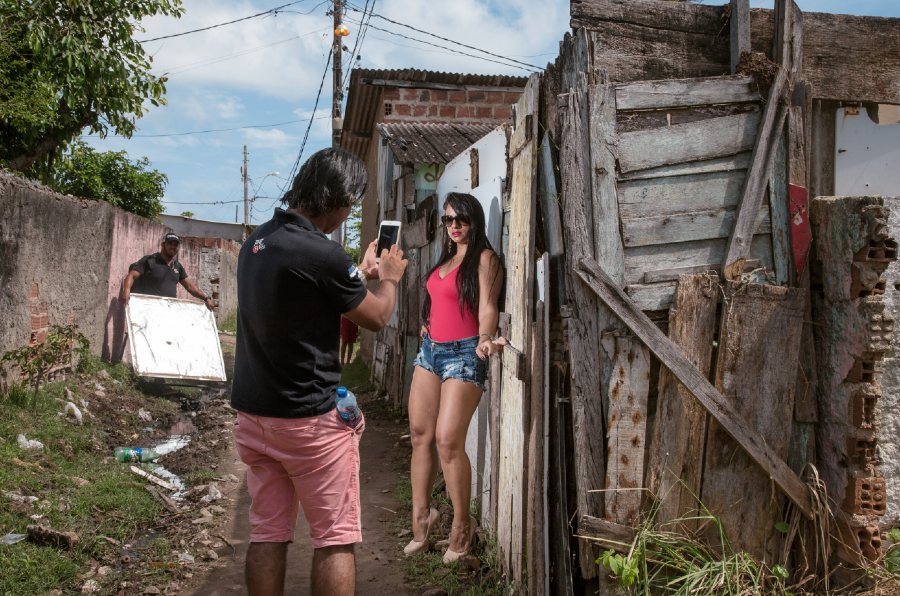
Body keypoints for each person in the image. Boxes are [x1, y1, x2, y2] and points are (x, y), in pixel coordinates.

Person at [230, 147, 407, 596]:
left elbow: (307, 295)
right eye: (350, 203)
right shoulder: (322, 253)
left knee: (267, 531)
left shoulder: (257, 242)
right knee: (334, 537)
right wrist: (387, 278)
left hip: (254, 417)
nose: (347, 213)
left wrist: (357, 274)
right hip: (309, 422)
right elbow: (378, 317)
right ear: (338, 197)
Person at [404, 192, 505, 563]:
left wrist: (484, 339)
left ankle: (462, 527)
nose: (454, 226)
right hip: (431, 352)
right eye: (448, 220)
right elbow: (438, 300)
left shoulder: (485, 259)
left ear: (474, 221)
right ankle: (422, 520)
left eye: (461, 219)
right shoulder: (444, 260)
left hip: (464, 353)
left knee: (448, 441)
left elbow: (488, 306)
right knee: (420, 435)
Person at [119, 232, 215, 310]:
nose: (173, 246)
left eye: (175, 244)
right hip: (147, 309)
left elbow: (190, 287)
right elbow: (132, 275)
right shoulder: (150, 260)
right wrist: (126, 291)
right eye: (170, 243)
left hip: (167, 310)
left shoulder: (177, 266)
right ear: (163, 245)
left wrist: (206, 298)